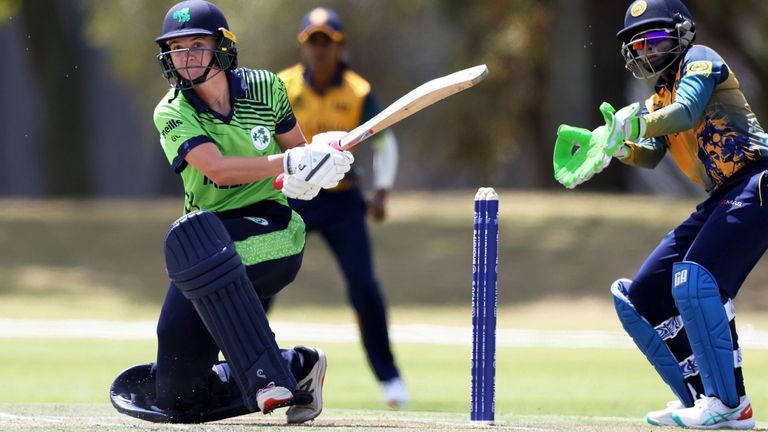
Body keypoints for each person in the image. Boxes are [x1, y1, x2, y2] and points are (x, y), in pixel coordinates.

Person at [109, 0, 355, 425]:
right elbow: (219, 171)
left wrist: (318, 165)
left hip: (274, 228)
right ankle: (298, 367)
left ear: (223, 48)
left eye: (196, 45)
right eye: (176, 48)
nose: (184, 57)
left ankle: (267, 377)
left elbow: (298, 153)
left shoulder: (266, 88)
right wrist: (290, 163)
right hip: (204, 247)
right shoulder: (172, 110)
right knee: (178, 396)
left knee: (209, 254)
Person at [557, 0, 768, 429]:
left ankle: (730, 404)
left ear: (681, 33)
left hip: (757, 178)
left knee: (695, 279)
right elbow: (652, 154)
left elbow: (687, 112)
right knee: (642, 296)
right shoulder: (658, 96)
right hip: (723, 193)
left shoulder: (701, 60)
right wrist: (616, 148)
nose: (648, 51)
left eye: (655, 39)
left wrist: (632, 124)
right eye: (640, 44)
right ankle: (700, 399)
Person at [273, 7, 408, 408]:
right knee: (260, 282)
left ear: (339, 47)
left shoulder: (358, 91)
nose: (319, 50)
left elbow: (384, 142)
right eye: (312, 42)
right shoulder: (282, 86)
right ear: (302, 46)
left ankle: (389, 378)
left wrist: (381, 192)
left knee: (364, 287)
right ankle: (250, 367)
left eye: (326, 42)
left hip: (342, 201)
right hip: (293, 196)